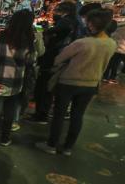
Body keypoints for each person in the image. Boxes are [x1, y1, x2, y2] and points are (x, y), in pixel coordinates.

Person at [36, 9, 117, 155]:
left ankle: (51, 145)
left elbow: (59, 59)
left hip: (68, 82)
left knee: (59, 114)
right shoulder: (111, 44)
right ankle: (68, 147)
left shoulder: (82, 43)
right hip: (91, 84)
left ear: (92, 24)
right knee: (77, 116)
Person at [0, 10, 37, 146]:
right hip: (15, 81)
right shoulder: (29, 41)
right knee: (9, 110)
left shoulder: (1, 35)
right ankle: (5, 138)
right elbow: (32, 60)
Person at [32, 1, 80, 124]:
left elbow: (53, 34)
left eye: (56, 10)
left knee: (44, 87)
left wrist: (45, 31)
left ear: (64, 11)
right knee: (49, 88)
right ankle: (43, 113)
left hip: (52, 59)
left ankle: (41, 115)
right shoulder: (75, 22)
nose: (54, 13)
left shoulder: (66, 22)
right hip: (60, 60)